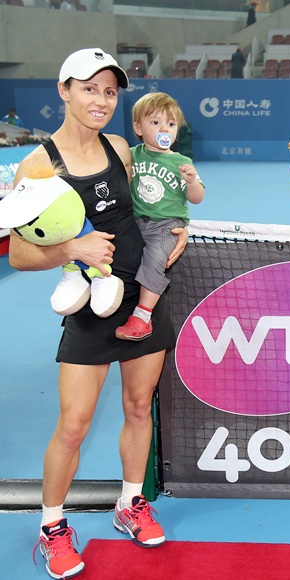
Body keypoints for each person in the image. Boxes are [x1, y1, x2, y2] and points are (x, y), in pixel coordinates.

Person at [10, 48, 188, 579]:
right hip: (89, 306)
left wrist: (172, 236)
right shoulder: (39, 164)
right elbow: (19, 253)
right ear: (64, 91)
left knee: (138, 407)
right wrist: (72, 252)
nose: (101, 100)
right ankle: (52, 527)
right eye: (89, 88)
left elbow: (145, 211)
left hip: (141, 297)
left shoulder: (118, 147)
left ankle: (130, 503)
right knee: (74, 425)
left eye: (110, 91)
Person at [115, 92, 204, 341]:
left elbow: (197, 198)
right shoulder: (132, 154)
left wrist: (192, 181)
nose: (164, 129)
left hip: (166, 226)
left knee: (155, 259)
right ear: (138, 127)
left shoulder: (182, 162)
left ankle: (142, 316)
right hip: (134, 222)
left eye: (171, 124)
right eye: (155, 123)